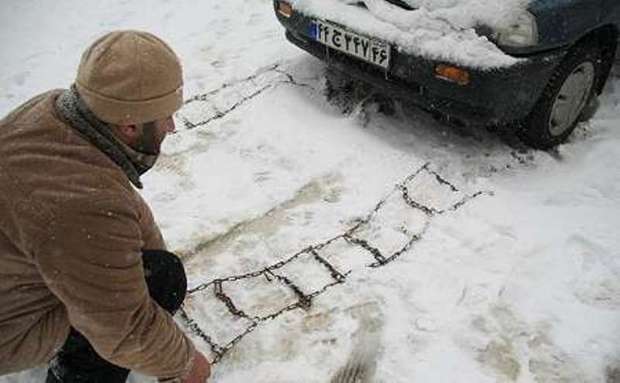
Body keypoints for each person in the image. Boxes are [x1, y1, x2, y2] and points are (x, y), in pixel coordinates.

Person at [0, 30, 211, 383]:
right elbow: (122, 327)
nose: (172, 127)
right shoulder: (84, 204)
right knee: (125, 308)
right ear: (129, 125)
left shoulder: (53, 113)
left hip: (13, 275)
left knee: (161, 274)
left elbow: (122, 207)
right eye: (165, 117)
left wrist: (154, 264)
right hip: (7, 329)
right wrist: (187, 365)